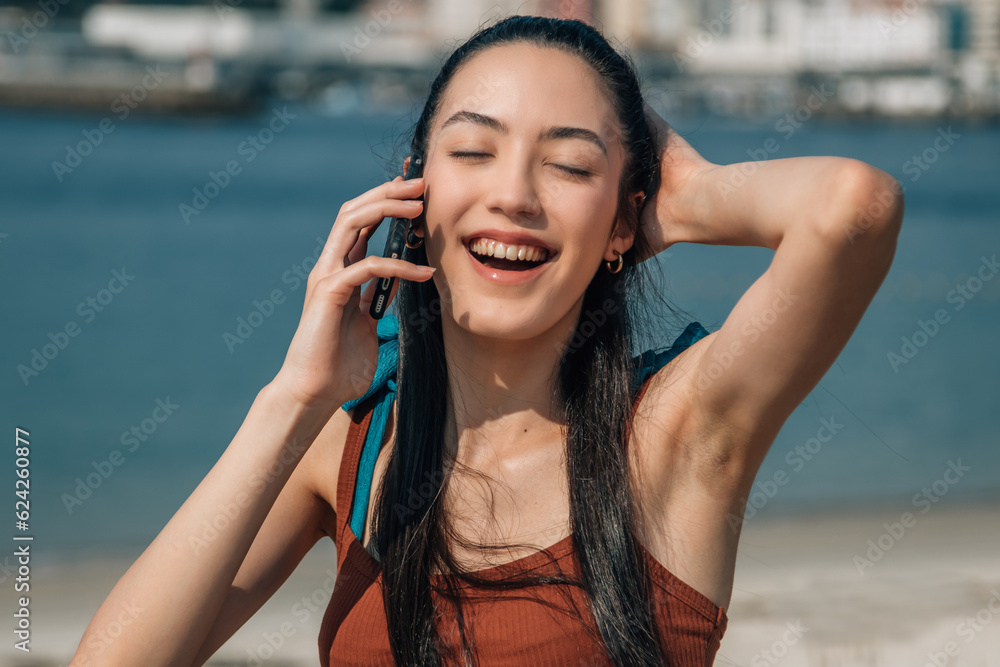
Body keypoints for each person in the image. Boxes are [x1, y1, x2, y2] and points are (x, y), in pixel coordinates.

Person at [71, 13, 904, 667]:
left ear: (624, 218)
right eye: (473, 150)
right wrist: (294, 398)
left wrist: (682, 200)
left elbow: (852, 209)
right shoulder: (352, 446)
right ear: (413, 189)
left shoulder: (680, 431)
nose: (513, 194)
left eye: (569, 167)